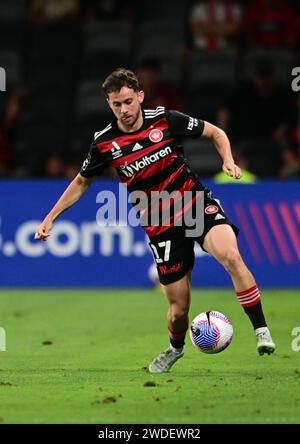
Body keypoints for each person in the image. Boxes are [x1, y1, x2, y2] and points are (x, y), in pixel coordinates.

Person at [35, 68, 275, 373]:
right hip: (159, 222)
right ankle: (176, 348)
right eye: (116, 105)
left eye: (127, 101)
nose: (124, 110)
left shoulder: (165, 119)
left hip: (194, 202)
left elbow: (216, 132)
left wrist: (227, 159)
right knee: (178, 310)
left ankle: (261, 331)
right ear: (109, 105)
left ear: (140, 96)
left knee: (230, 255)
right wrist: (50, 217)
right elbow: (82, 182)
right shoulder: (104, 143)